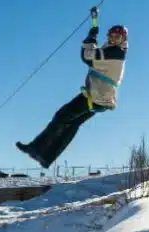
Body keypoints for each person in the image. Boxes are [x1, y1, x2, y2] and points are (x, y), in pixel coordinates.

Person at [16, 10, 128, 169]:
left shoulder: (115, 53)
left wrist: (91, 36)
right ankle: (47, 158)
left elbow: (87, 56)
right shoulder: (113, 50)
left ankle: (36, 147)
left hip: (96, 96)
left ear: (123, 39)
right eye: (111, 35)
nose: (113, 39)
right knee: (72, 124)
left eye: (117, 37)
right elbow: (95, 51)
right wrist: (94, 25)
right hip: (102, 99)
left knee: (62, 116)